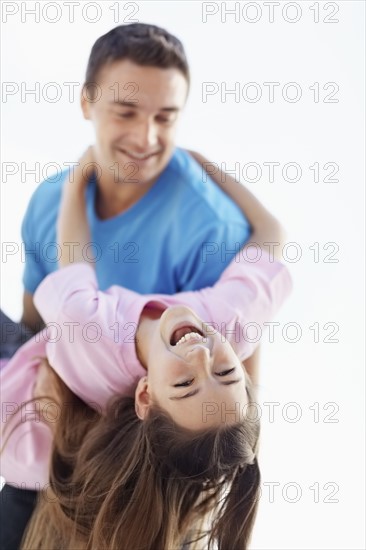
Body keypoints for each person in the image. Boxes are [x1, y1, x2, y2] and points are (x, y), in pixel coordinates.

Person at [1, 150, 292, 549]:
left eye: (187, 383)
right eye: (226, 373)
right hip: (42, 359)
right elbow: (270, 232)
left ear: (145, 394)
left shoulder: (84, 323)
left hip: (15, 406)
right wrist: (200, 165)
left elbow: (71, 252)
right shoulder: (232, 322)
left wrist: (79, 178)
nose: (201, 356)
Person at [15, 22, 252, 337]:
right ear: (87, 103)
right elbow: (30, 331)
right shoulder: (49, 199)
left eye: (165, 118)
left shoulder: (213, 231)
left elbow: (236, 380)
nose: (146, 139)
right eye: (126, 113)